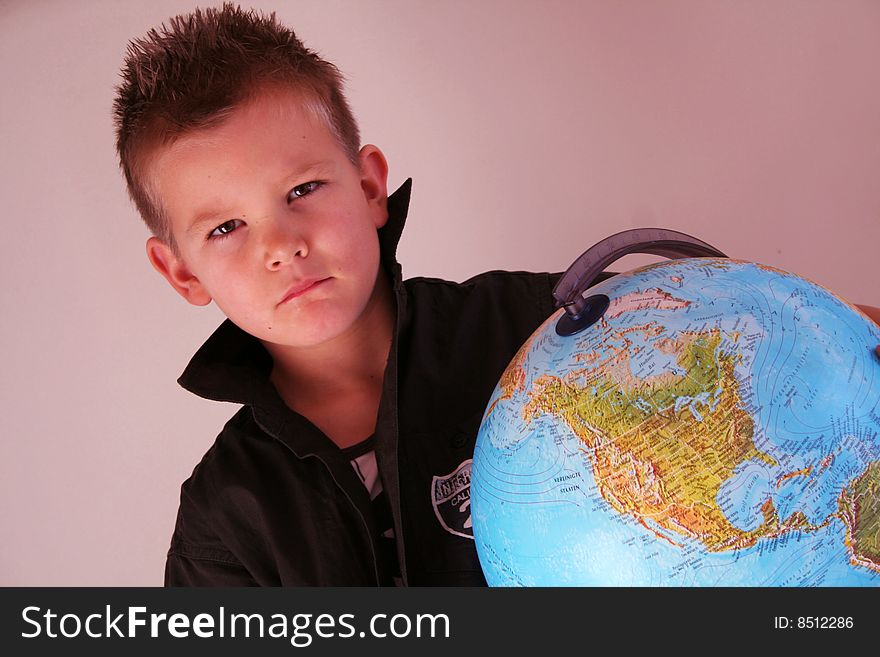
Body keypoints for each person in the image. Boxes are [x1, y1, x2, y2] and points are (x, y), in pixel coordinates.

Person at [114, 4, 880, 586]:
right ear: (179, 271)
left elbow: (752, 329)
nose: (281, 243)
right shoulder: (226, 518)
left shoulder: (538, 326)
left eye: (303, 188)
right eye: (226, 228)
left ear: (370, 184)